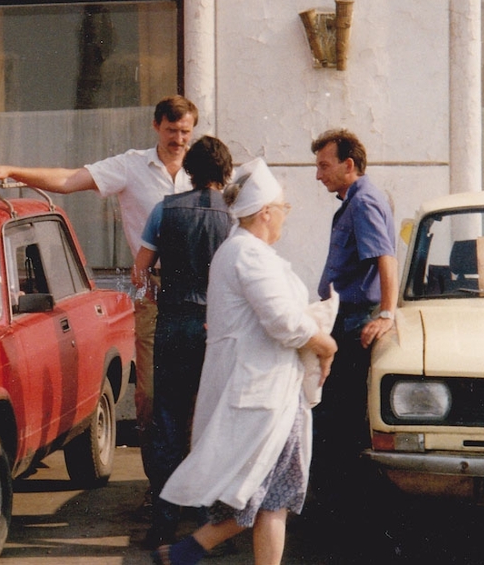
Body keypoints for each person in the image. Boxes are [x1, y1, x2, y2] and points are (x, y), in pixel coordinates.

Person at [0, 94, 196, 503]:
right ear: (157, 126)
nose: (179, 140)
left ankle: (193, 484)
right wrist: (14, 170)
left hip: (198, 294)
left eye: (186, 132)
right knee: (152, 392)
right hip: (153, 292)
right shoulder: (132, 165)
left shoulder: (200, 168)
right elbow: (69, 180)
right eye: (172, 131)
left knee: (196, 391)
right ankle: (161, 489)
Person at [154, 158, 338, 565]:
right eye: (284, 210)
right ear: (267, 212)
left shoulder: (244, 251)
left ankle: (187, 551)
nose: (285, 219)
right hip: (262, 396)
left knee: (272, 497)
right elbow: (284, 323)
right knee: (260, 492)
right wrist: (327, 345)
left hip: (274, 392)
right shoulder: (247, 254)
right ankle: (187, 550)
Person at [131, 135, 233, 547]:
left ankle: (164, 519)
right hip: (218, 328)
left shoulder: (164, 209)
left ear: (189, 171)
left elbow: (139, 271)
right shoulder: (235, 215)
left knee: (168, 422)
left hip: (173, 324)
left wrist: (153, 295)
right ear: (224, 173)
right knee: (212, 424)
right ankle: (210, 521)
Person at [310, 128, 397, 513]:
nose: (318, 175)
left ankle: (339, 507)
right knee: (334, 413)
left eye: (324, 165)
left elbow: (386, 259)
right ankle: (337, 501)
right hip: (342, 319)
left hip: (354, 322)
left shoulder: (364, 203)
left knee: (338, 416)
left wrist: (387, 314)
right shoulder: (353, 202)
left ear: (349, 165)